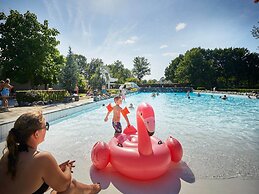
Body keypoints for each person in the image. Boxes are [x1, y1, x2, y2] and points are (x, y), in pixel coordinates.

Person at [0, 111, 101, 194]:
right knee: (70, 186)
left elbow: (29, 180)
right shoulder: (42, 158)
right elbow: (64, 185)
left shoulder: (9, 155)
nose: (46, 130)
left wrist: (56, 169)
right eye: (46, 126)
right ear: (36, 133)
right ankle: (93, 189)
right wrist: (68, 169)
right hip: (65, 184)